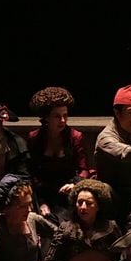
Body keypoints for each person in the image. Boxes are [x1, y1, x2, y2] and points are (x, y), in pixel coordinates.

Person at [25, 87, 89, 217]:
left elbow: (84, 169)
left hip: (67, 191)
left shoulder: (75, 137)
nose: (63, 121)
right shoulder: (34, 138)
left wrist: (75, 185)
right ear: (46, 118)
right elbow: (31, 172)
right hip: (42, 192)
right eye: (57, 116)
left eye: (65, 116)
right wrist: (41, 202)